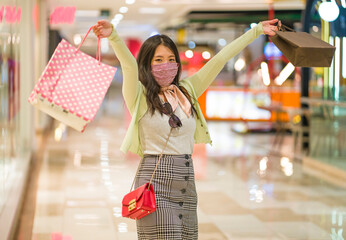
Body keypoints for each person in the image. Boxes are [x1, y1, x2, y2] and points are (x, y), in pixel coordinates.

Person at [93, 18, 280, 240]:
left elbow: (221, 59)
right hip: (155, 183)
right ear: (147, 64)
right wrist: (113, 36)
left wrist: (257, 31)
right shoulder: (139, 96)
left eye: (171, 59)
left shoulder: (188, 90)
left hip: (186, 182)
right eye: (159, 59)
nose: (167, 64)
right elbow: (128, 64)